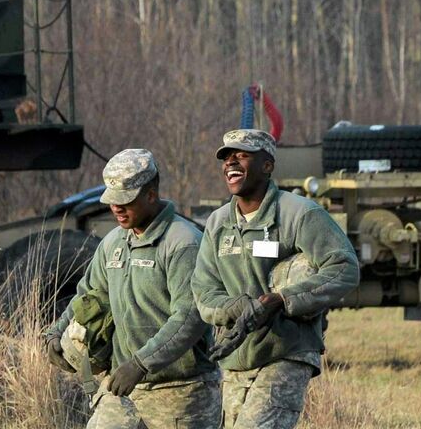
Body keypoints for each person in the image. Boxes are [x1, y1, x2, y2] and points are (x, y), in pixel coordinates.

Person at [191, 129, 359, 429]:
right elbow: (204, 291)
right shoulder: (217, 224)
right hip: (236, 360)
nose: (231, 162)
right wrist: (238, 309)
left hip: (287, 351)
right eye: (226, 157)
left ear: (267, 165)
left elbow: (344, 267)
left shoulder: (300, 214)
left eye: (241, 155)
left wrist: (283, 300)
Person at [44, 148, 220, 428]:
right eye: (112, 201)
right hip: (121, 389)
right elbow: (87, 296)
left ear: (151, 195)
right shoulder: (113, 243)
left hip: (181, 393)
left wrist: (141, 363)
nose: (116, 208)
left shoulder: (184, 243)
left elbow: (190, 316)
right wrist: (55, 333)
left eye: (125, 201)